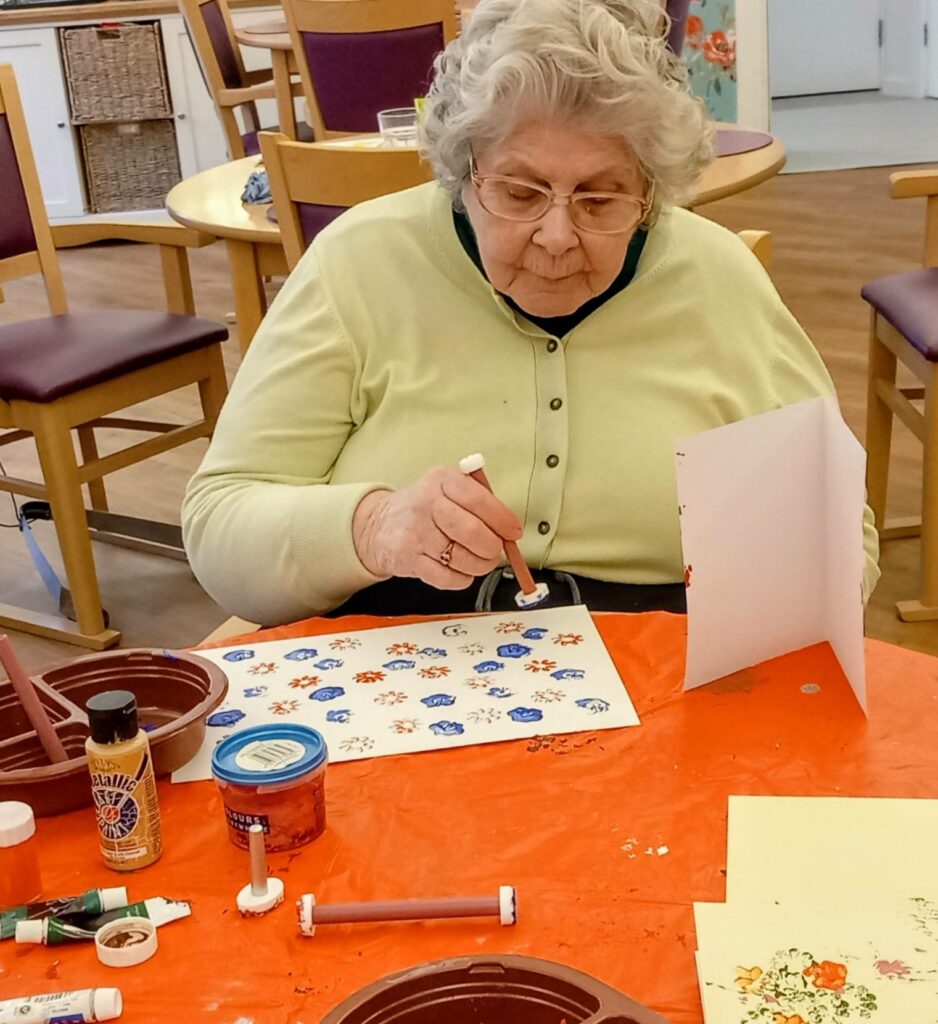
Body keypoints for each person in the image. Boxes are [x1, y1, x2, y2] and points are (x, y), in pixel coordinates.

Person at [182, 0, 879, 625]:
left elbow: (844, 535)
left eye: (601, 200)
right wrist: (373, 527)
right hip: (399, 670)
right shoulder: (359, 263)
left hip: (661, 675)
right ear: (462, 171)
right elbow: (221, 526)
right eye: (519, 193)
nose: (555, 235)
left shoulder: (715, 277)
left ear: (651, 195)